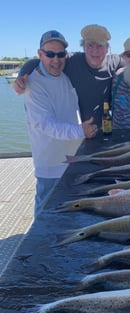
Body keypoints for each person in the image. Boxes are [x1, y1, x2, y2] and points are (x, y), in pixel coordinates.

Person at [14, 25, 130, 128]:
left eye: (100, 46)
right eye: (90, 45)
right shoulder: (70, 60)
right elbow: (40, 60)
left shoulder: (116, 62)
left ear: (107, 48)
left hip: (109, 131)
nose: (95, 51)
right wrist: (22, 76)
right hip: (82, 132)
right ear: (83, 47)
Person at [23, 30, 97, 217]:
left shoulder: (63, 76)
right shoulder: (33, 84)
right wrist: (81, 131)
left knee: (67, 214)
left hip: (71, 161)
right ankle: (36, 246)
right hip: (50, 167)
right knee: (44, 216)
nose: (56, 59)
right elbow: (45, 125)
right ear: (40, 54)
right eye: (50, 54)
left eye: (60, 54)